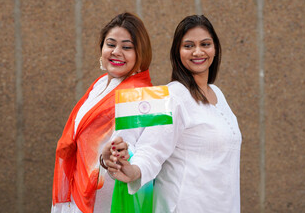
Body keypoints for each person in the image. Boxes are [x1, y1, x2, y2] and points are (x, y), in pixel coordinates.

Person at [104, 15, 242, 213]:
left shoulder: (217, 93)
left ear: (215, 49)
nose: (197, 51)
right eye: (188, 45)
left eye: (205, 44)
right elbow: (151, 148)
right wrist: (134, 171)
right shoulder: (173, 95)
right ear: (177, 52)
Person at [51, 12, 152, 213]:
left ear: (140, 53)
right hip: (77, 186)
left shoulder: (139, 95)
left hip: (105, 195)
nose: (116, 52)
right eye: (111, 44)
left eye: (127, 47)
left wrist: (112, 157)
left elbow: (134, 147)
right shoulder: (99, 85)